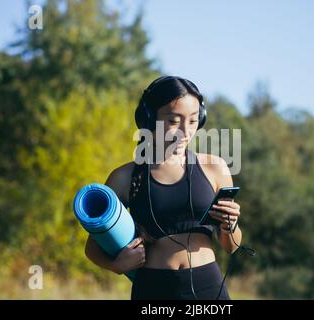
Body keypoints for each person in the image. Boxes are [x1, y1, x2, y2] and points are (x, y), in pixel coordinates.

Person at [84, 75, 242, 300]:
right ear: (149, 120)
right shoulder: (123, 177)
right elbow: (92, 247)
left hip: (208, 287)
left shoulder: (215, 168)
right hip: (152, 289)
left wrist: (230, 226)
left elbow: (231, 247)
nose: (185, 132)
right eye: (174, 121)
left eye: (193, 120)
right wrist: (116, 265)